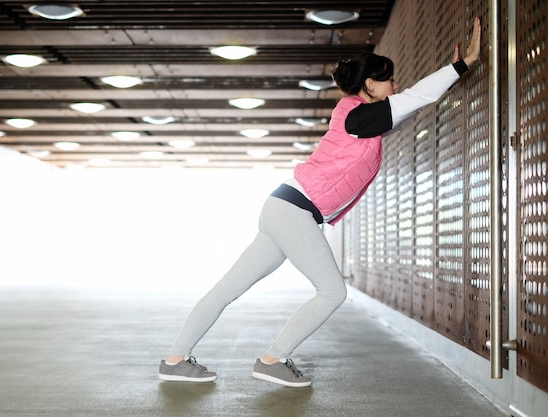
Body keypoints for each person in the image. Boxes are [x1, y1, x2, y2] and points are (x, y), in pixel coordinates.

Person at [158, 17, 482, 388]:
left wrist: (451, 78)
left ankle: (174, 359)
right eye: (390, 79)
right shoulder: (355, 115)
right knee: (333, 292)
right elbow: (413, 99)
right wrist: (461, 64)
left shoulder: (364, 122)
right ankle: (272, 360)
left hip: (285, 208)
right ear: (371, 85)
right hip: (294, 210)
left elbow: (409, 108)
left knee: (227, 289)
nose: (397, 85)